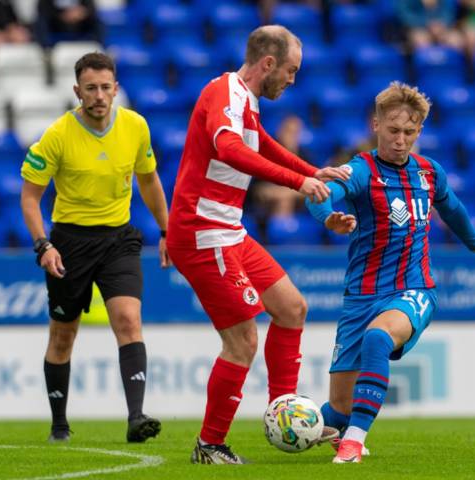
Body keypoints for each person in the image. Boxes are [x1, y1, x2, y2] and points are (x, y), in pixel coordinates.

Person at [165, 25, 349, 465]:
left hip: (228, 228)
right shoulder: (225, 94)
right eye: (290, 70)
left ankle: (286, 417)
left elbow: (260, 144)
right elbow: (228, 149)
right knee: (242, 341)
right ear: (268, 64)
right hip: (202, 231)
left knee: (291, 308)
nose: (292, 79)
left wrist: (312, 170)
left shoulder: (243, 100)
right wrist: (298, 182)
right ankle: (209, 445)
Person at [306, 81, 475, 464]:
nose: (401, 140)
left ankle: (354, 442)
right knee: (339, 408)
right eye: (393, 130)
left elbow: (452, 208)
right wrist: (328, 217)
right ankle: (314, 425)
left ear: (419, 132)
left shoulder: (430, 172)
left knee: (378, 340)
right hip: (361, 295)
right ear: (376, 124)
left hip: (413, 289)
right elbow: (319, 193)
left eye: (409, 132)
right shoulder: (360, 171)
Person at [19, 52, 169, 443]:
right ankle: (59, 425)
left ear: (116, 88)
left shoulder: (135, 126)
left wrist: (168, 230)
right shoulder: (57, 135)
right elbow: (30, 198)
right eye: (91, 88)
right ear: (77, 91)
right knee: (63, 336)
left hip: (119, 239)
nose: (99, 95)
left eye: (106, 87)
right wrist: (43, 247)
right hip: (69, 243)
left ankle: (136, 418)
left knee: (128, 321)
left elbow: (149, 181)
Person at [34, 0, 102, 47]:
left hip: (80, 24)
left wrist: (81, 12)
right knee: (40, 23)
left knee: (98, 20)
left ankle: (100, 47)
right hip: (56, 25)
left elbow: (90, 8)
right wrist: (63, 15)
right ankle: (46, 50)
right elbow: (43, 10)